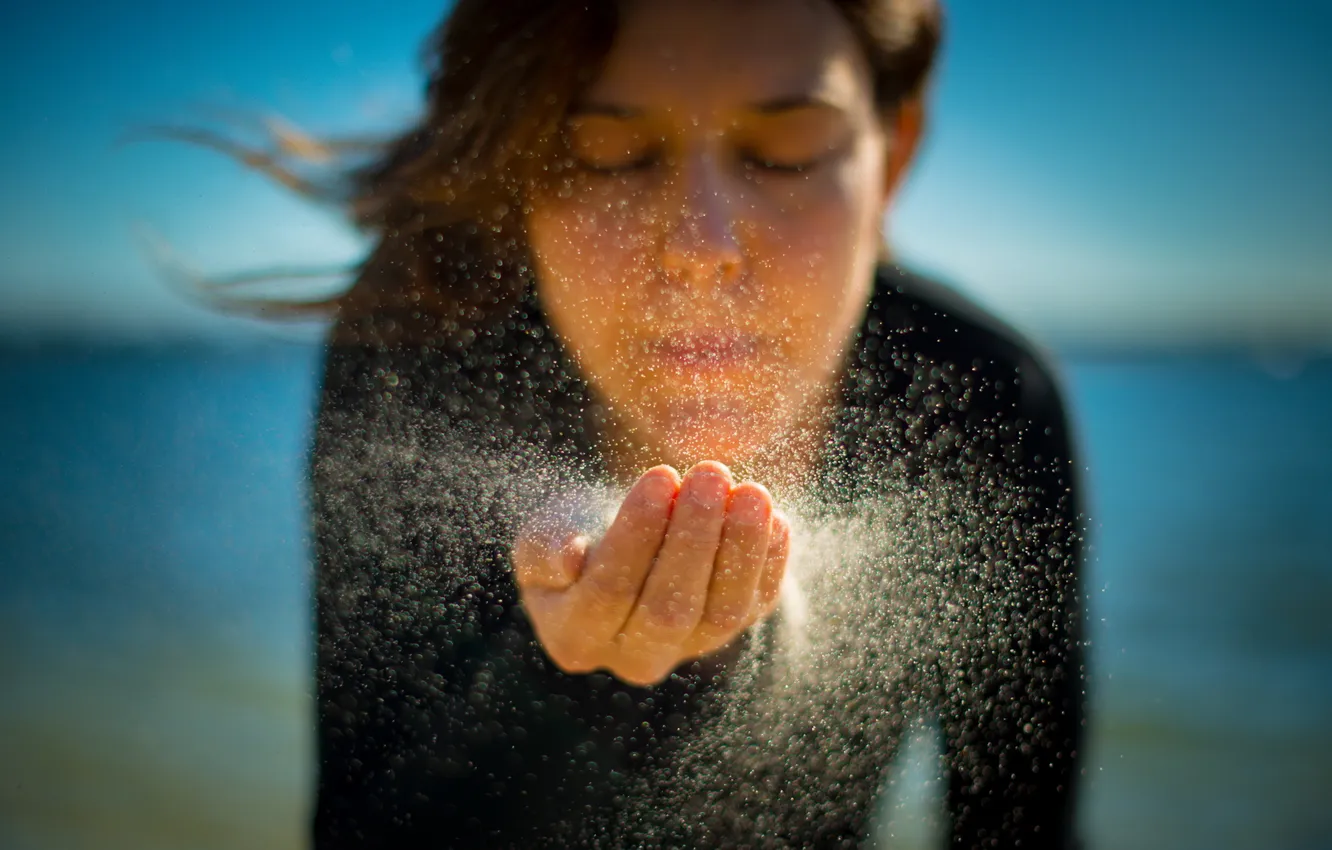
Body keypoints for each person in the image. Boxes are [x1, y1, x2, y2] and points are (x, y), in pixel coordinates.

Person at [304, 0, 1086, 847]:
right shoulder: (421, 351)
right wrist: (565, 678)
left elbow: (1023, 829)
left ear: (892, 155)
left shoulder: (976, 401)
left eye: (785, 154)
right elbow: (361, 817)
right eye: (607, 156)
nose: (700, 244)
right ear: (519, 176)